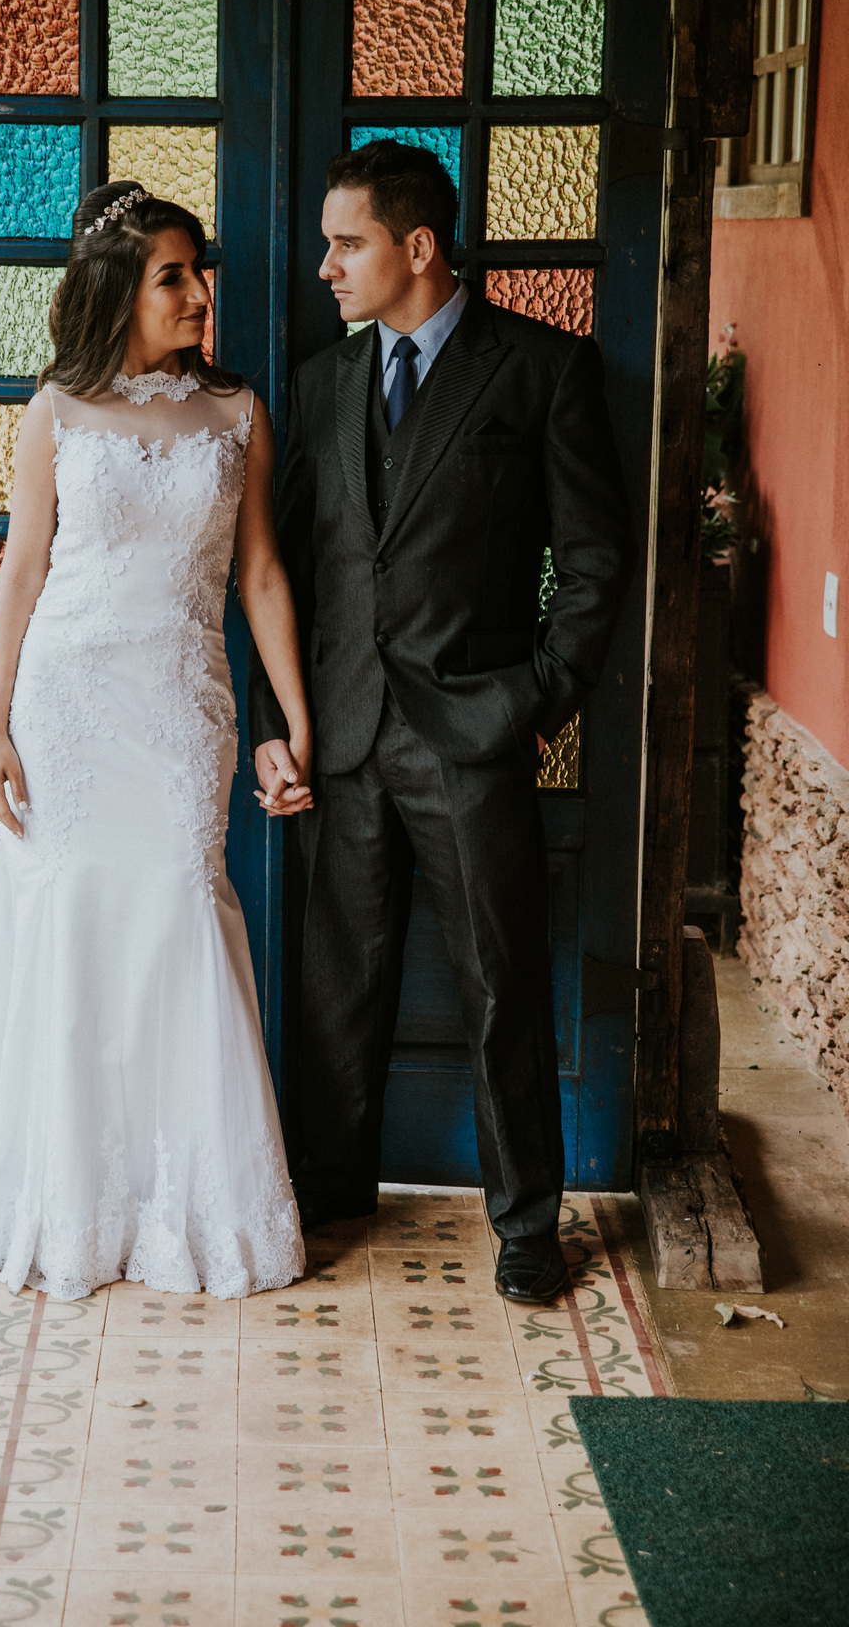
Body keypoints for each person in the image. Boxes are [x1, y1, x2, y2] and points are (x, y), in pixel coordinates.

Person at [0, 181, 308, 1302]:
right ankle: (67, 1200)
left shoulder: (238, 415)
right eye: (174, 276)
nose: (199, 294)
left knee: (178, 902)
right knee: (67, 919)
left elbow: (259, 571)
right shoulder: (55, 412)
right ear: (120, 288)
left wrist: (292, 718)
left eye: (198, 273)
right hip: (67, 703)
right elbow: (19, 571)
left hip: (179, 706)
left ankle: (183, 1206)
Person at [250, 139, 633, 1303]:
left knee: (502, 986)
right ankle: (328, 1194)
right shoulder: (322, 388)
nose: (325, 266)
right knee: (336, 988)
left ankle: (526, 1224)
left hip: (474, 738)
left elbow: (596, 560)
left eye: (346, 243)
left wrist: (538, 698)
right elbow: (285, 575)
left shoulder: (540, 371)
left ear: (419, 248)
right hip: (346, 739)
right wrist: (284, 717)